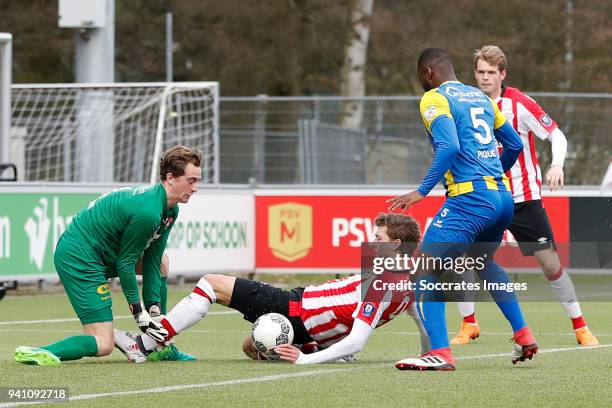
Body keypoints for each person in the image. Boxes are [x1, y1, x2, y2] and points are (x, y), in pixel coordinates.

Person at [113, 213, 432, 364]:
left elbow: (357, 341)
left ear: (394, 244)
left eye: (376, 239)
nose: (369, 243)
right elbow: (421, 319)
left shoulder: (383, 281)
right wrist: (426, 353)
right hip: (305, 324)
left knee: (211, 283)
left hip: (296, 307)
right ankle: (311, 346)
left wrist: (306, 361)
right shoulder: (407, 284)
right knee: (250, 347)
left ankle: (144, 344)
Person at [388, 48, 537, 371]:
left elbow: (450, 146)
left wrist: (422, 190)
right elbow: (514, 144)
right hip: (501, 198)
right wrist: (492, 174)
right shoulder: (480, 98)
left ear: (428, 73)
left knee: (423, 271)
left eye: (420, 78)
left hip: (470, 200)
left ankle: (439, 353)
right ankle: (523, 333)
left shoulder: (435, 99)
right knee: (484, 262)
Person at [449, 45, 598, 347]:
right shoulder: (466, 104)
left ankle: (580, 326)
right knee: (463, 258)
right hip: (485, 197)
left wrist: (557, 165)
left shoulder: (519, 104)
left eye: (491, 73)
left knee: (550, 264)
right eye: (480, 72)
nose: (485, 78)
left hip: (523, 198)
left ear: (503, 74)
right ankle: (469, 324)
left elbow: (557, 135)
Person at [14, 145, 202, 366]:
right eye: (191, 180)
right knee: (104, 344)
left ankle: (156, 345)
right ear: (170, 178)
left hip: (101, 254)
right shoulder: (148, 212)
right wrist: (138, 313)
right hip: (79, 257)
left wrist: (155, 311)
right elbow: (125, 264)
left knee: (162, 262)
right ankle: (39, 351)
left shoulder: (171, 210)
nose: (196, 188)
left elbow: (151, 258)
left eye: (197, 180)